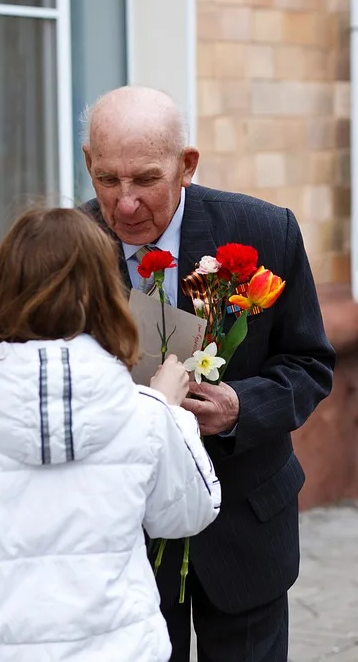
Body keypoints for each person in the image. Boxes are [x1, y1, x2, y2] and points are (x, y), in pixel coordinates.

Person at [0, 207, 220, 662]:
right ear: (104, 294)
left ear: (1, 289)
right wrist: (171, 412)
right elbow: (188, 514)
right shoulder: (144, 414)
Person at [81, 85, 336, 662]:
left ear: (187, 165)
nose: (123, 204)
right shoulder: (68, 248)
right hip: (126, 536)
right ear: (87, 165)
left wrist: (242, 408)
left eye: (145, 179)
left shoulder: (265, 232)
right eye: (106, 180)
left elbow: (309, 363)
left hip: (245, 522)